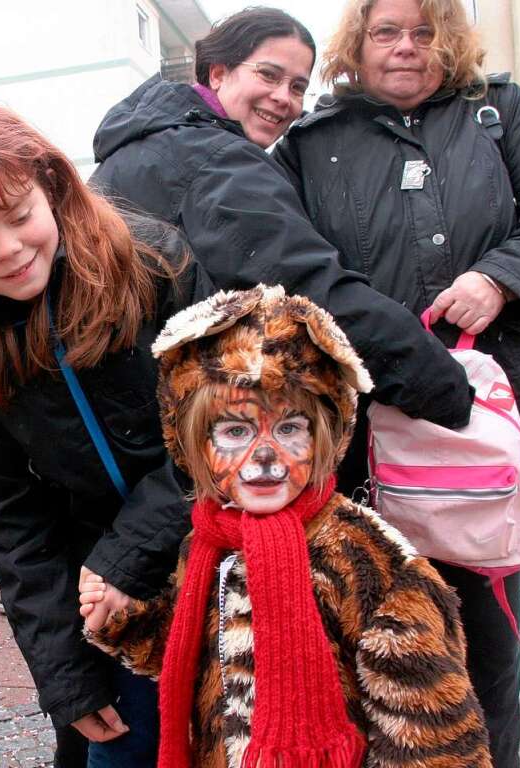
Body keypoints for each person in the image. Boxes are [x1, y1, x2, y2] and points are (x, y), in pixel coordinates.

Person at [272, 1, 520, 764]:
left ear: (449, 40)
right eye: (387, 32)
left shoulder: (497, 113)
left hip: (483, 425)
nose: (406, 49)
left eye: (425, 32)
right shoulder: (311, 142)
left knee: (486, 628)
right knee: (369, 625)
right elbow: (282, 259)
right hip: (361, 433)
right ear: (358, 44)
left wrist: (502, 278)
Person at [0, 104, 213, 767]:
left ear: (52, 186)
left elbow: (224, 426)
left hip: (217, 556)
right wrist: (63, 676)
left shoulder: (152, 260)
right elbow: (13, 516)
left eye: (17, 216)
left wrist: (126, 557)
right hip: (102, 598)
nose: (7, 250)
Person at [79, 285, 491, 768]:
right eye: (235, 431)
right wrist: (127, 626)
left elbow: (433, 739)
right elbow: (206, 658)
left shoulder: (370, 563)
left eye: (290, 428)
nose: (265, 457)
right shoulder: (208, 542)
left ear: (325, 437)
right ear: (195, 447)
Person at [91, 6, 475, 439]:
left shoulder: (139, 146)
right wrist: (443, 386)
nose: (283, 98)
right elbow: (311, 293)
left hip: (117, 417)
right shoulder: (217, 160)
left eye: (297, 87)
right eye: (269, 75)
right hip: (187, 428)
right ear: (218, 73)